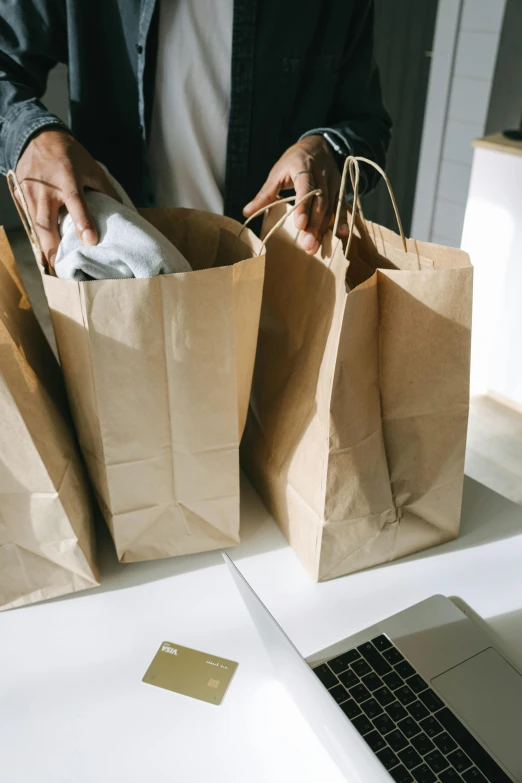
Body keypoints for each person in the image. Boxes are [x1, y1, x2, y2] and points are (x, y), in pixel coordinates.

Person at [0, 0, 391, 267]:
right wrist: (33, 136)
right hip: (116, 279)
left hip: (276, 296)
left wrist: (323, 149)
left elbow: (365, 124)